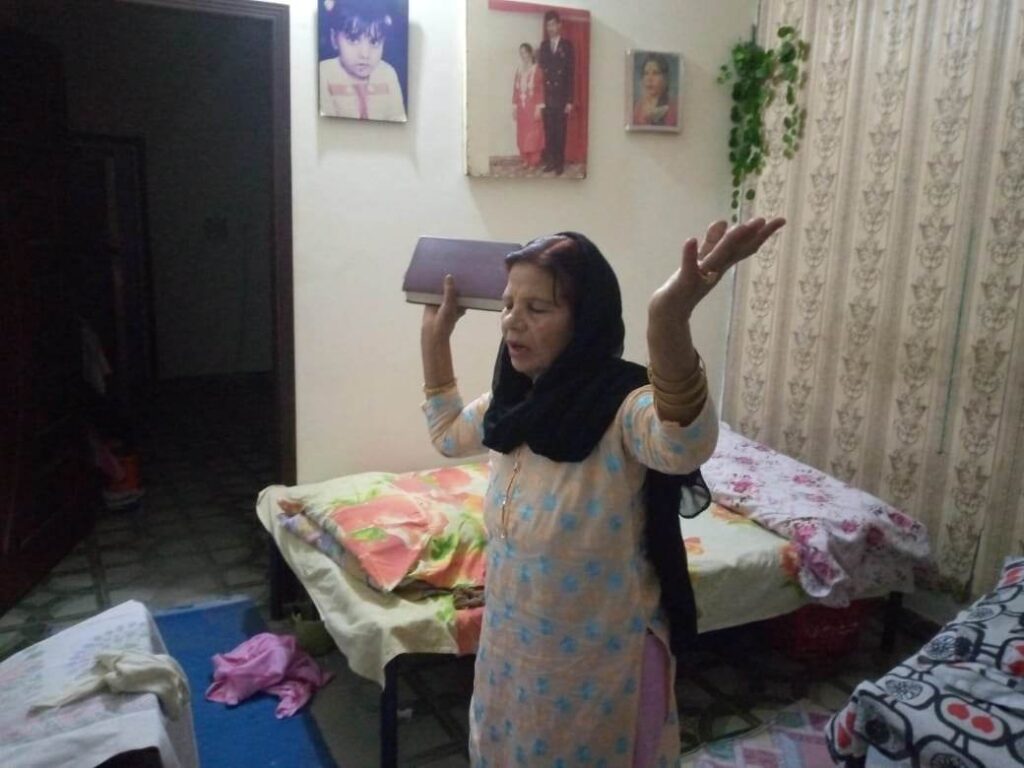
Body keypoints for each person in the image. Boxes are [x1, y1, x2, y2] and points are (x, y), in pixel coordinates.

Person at [420, 217, 786, 766]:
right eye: (508, 304)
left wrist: (667, 319)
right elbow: (448, 434)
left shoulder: (622, 407)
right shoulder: (512, 405)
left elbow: (685, 443)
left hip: (597, 664)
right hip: (511, 650)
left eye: (537, 308)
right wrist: (434, 338)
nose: (513, 321)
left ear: (584, 320)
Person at [319, 0, 406, 122]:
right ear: (334, 39)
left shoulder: (388, 73)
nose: (365, 54)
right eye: (353, 40)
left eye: (374, 42)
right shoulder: (324, 73)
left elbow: (398, 118)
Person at [537, 10, 574, 175]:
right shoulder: (544, 46)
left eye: (553, 25)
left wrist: (570, 100)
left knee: (560, 131)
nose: (550, 28)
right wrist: (539, 99)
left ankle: (559, 163)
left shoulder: (567, 46)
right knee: (549, 131)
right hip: (547, 95)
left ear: (559, 25)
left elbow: (571, 74)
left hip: (561, 95)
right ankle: (551, 161)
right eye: (548, 25)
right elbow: (540, 73)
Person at [513, 43, 545, 169]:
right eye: (521, 53)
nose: (523, 56)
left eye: (525, 52)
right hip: (522, 107)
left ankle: (534, 161)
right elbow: (515, 90)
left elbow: (541, 90)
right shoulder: (519, 70)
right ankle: (525, 159)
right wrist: (514, 107)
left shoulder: (537, 70)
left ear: (531, 53)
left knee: (533, 134)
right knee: (522, 133)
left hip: (533, 106)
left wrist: (539, 108)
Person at [633, 53, 677, 128]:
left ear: (665, 78)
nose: (649, 79)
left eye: (655, 73)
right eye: (646, 73)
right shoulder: (636, 108)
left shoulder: (673, 109)